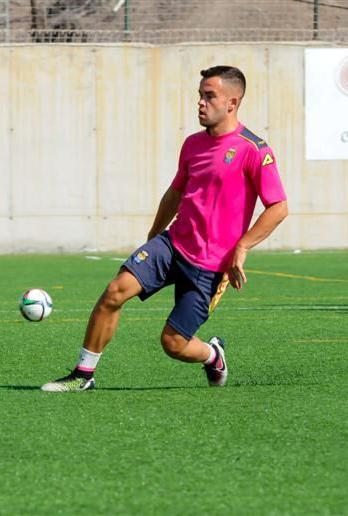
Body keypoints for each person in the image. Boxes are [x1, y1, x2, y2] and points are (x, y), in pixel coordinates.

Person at [42, 65, 288, 391]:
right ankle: (82, 376)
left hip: (211, 266)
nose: (200, 102)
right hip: (173, 244)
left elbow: (279, 207)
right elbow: (175, 193)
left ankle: (213, 356)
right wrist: (154, 236)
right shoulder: (192, 144)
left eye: (209, 96)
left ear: (232, 102)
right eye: (200, 95)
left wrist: (242, 247)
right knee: (115, 291)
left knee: (173, 343)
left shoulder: (254, 150)